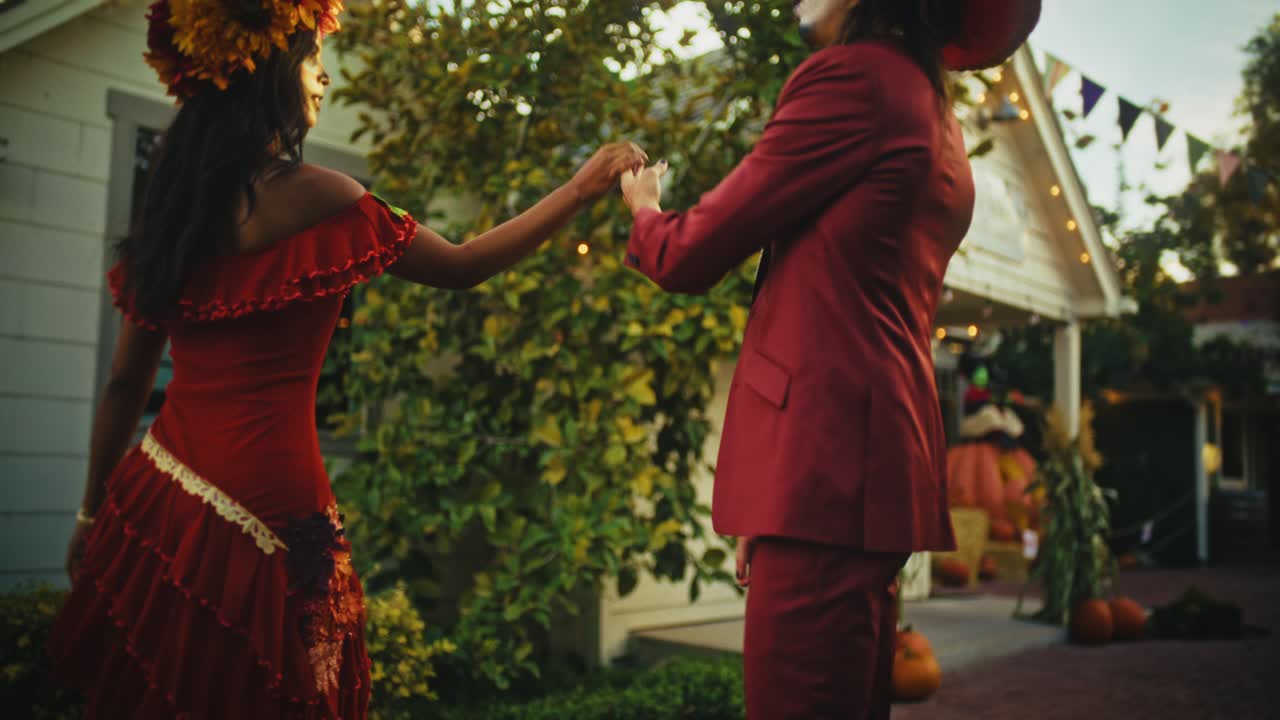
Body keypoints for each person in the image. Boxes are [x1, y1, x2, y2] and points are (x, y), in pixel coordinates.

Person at [49, 2, 644, 717]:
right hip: (275, 509)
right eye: (312, 59)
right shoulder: (321, 196)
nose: (324, 79)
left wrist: (89, 512)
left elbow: (124, 383)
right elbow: (460, 266)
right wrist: (580, 189)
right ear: (269, 73)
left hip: (160, 493)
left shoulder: (172, 214)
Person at [619, 0, 1040, 717]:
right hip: (854, 475)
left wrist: (646, 210)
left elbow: (695, 250)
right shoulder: (930, 107)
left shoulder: (854, 80)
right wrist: (779, 498)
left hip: (827, 467)